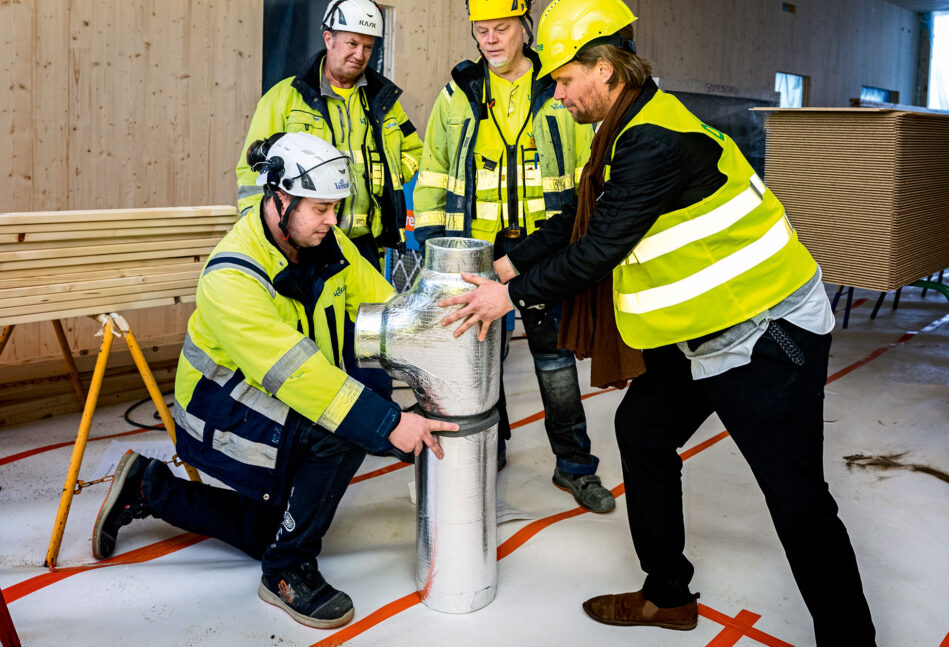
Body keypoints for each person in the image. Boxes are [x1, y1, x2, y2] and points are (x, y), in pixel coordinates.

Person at [438, 0, 876, 643]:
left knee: (798, 501)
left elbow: (598, 249)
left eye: (563, 80)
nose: (556, 96)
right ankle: (667, 596)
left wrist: (511, 298)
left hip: (766, 334)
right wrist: (508, 265)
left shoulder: (654, 139)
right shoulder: (625, 125)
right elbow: (578, 221)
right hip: (706, 333)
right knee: (643, 432)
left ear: (607, 70)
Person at [91, 132, 457, 630]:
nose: (334, 220)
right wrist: (390, 424)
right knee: (347, 426)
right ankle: (286, 572)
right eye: (322, 208)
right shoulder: (232, 276)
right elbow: (298, 375)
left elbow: (384, 309)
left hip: (274, 397)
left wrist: (441, 328)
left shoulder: (326, 242)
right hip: (216, 405)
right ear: (280, 199)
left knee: (264, 527)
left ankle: (148, 487)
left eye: (337, 208)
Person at [413, 0, 613, 513]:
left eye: (501, 29)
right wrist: (438, 245)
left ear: (524, 26)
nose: (490, 40)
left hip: (545, 244)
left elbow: (591, 167)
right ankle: (490, 449)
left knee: (553, 359)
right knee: (482, 355)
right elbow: (434, 171)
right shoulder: (457, 94)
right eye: (481, 31)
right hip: (475, 251)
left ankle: (575, 467)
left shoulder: (558, 88)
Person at [237, 0, 423, 399]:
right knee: (313, 340)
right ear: (329, 39)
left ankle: (378, 420)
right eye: (351, 43)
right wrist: (268, 239)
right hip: (306, 245)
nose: (359, 54)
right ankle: (322, 424)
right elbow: (252, 176)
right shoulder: (285, 99)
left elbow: (415, 152)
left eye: (369, 47)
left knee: (371, 343)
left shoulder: (381, 100)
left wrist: (389, 175)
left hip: (364, 242)